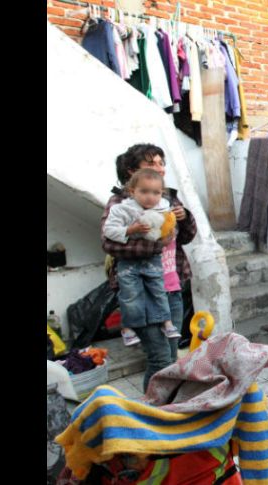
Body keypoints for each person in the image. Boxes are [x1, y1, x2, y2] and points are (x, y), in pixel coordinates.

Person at [101, 143, 197, 392]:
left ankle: (167, 405)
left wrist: (184, 217)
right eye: (151, 163)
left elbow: (185, 238)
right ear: (132, 171)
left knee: (172, 352)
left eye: (161, 162)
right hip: (143, 291)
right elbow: (109, 243)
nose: (160, 168)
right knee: (160, 358)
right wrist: (156, 245)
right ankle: (152, 410)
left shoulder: (166, 197)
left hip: (172, 287)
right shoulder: (120, 203)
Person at [102, 168, 182, 346]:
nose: (150, 197)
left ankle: (166, 323)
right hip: (128, 262)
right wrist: (131, 230)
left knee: (158, 290)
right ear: (132, 191)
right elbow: (108, 232)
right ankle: (129, 328)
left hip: (154, 260)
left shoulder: (164, 207)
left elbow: (171, 230)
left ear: (162, 193)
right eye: (144, 192)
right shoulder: (121, 208)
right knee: (130, 294)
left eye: (155, 193)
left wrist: (173, 227)